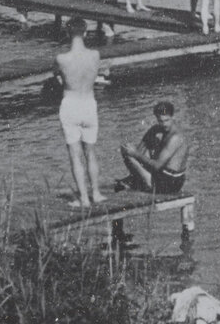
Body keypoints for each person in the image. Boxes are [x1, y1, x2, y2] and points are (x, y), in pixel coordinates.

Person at [54, 17, 105, 208]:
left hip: (70, 103)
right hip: (89, 103)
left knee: (75, 154)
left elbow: (58, 77)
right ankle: (96, 193)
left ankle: (84, 198)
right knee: (90, 152)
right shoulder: (95, 55)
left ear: (67, 33)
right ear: (85, 32)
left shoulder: (61, 59)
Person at [117, 100, 189, 194]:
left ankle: (142, 182)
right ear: (156, 118)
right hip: (162, 175)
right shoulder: (156, 129)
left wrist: (135, 154)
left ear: (173, 117)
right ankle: (136, 179)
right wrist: (134, 150)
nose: (164, 124)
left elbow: (157, 165)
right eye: (160, 121)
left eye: (167, 120)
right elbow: (140, 149)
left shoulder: (175, 137)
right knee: (126, 149)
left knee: (131, 154)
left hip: (171, 183)